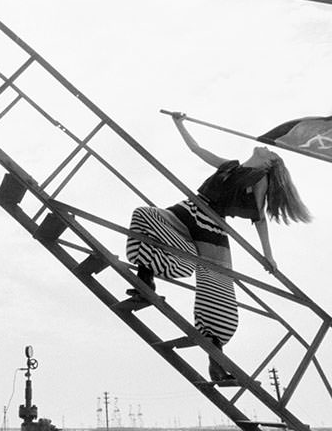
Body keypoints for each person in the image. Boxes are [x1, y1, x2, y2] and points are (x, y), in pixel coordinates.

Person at [125, 112, 312, 384]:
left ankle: (216, 363)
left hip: (211, 228)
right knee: (144, 217)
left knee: (216, 291)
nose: (265, 145)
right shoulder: (230, 166)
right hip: (188, 211)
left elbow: (259, 217)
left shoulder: (258, 177)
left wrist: (268, 254)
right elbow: (196, 149)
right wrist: (179, 124)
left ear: (270, 162)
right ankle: (146, 281)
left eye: (270, 150)